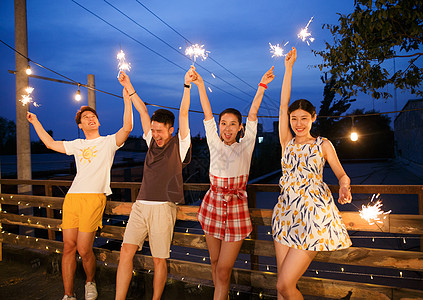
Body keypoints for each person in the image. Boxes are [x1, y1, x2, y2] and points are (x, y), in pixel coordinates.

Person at [27, 82, 133, 300]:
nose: (90, 118)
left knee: (84, 249)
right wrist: (35, 121)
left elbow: (127, 128)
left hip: (94, 199)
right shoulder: (77, 144)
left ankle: (89, 281)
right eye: (85, 118)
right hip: (73, 198)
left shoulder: (108, 142)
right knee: (68, 247)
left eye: (93, 116)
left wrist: (127, 99)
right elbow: (48, 143)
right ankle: (68, 294)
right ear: (81, 126)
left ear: (98, 121)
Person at [272, 47, 352, 300]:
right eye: (294, 118)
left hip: (313, 217)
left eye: (304, 118)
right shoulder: (287, 142)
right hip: (285, 213)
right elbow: (283, 102)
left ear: (313, 118)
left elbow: (342, 174)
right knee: (281, 287)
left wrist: (345, 186)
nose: (298, 123)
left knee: (285, 285)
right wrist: (288, 68)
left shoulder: (323, 144)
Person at [193, 66, 275, 300]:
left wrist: (262, 85)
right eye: (223, 123)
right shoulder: (215, 143)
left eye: (232, 124)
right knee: (215, 261)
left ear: (240, 128)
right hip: (213, 204)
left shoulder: (246, 145)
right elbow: (207, 114)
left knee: (224, 268)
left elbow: (253, 114)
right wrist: (200, 84)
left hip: (237, 208)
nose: (227, 128)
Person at [115, 68, 193, 300]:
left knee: (159, 259)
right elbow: (141, 109)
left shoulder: (180, 145)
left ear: (171, 130)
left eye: (160, 131)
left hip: (163, 207)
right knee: (125, 251)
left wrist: (186, 86)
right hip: (140, 205)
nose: (155, 134)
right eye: (153, 130)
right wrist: (129, 86)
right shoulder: (150, 141)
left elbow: (185, 114)